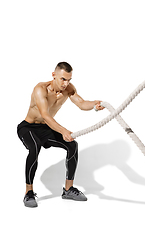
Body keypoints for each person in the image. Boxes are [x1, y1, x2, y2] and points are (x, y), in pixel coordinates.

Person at [17, 62, 104, 207]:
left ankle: (68, 189)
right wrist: (63, 130)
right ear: (54, 75)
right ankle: (29, 193)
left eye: (69, 79)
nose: (66, 83)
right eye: (63, 79)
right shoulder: (41, 89)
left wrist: (94, 104)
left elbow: (82, 103)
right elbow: (45, 115)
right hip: (28, 127)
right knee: (35, 147)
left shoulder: (69, 89)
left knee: (72, 145)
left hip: (46, 128)